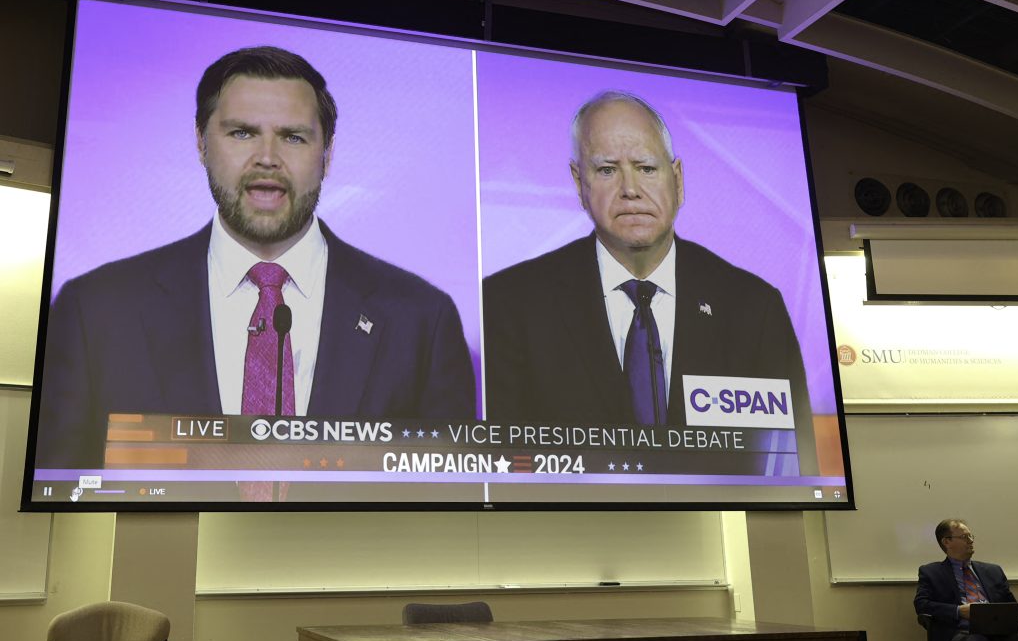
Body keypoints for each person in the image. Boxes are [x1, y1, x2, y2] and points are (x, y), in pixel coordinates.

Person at [36, 46, 475, 471]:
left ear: (328, 154)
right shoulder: (96, 309)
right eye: (242, 133)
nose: (267, 158)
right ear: (201, 143)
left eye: (293, 137)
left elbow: (447, 501)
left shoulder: (421, 319)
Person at [483, 90, 810, 431]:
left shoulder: (754, 308)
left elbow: (788, 458)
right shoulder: (508, 304)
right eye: (607, 170)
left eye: (647, 168)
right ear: (580, 183)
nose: (631, 189)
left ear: (678, 180)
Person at [915, 519, 1018, 641]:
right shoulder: (931, 572)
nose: (970, 541)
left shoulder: (993, 571)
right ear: (946, 542)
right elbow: (921, 604)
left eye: (971, 536)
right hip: (960, 632)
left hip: (998, 631)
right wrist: (958, 610)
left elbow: (1011, 605)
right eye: (964, 537)